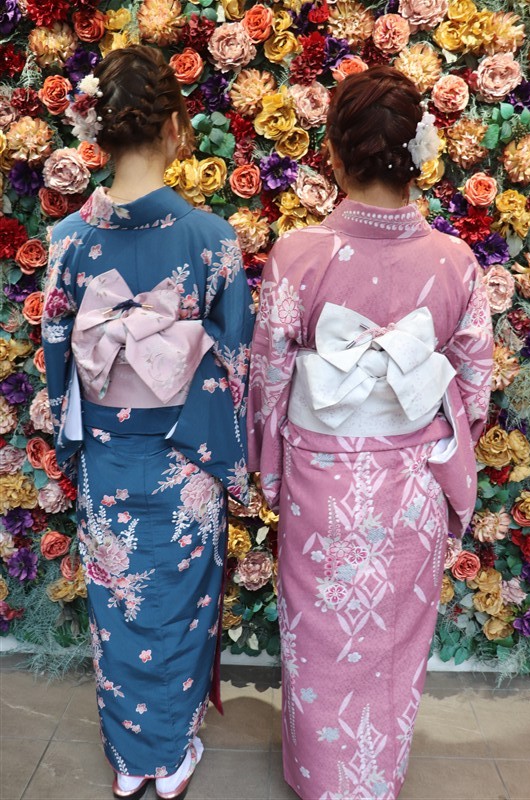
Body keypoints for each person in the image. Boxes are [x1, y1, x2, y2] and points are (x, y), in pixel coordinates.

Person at [247, 66, 493, 800]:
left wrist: (270, 473)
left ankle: (317, 776)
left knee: (318, 631)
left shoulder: (298, 254)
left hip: (320, 482)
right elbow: (473, 386)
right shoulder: (454, 261)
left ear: (333, 152)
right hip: (411, 481)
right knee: (392, 636)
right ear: (418, 153)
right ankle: (373, 779)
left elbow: (268, 380)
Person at [42, 45, 255, 800]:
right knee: (180, 602)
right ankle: (172, 755)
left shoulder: (70, 240)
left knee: (118, 598)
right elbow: (234, 356)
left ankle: (133, 759)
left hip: (108, 450)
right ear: (173, 128)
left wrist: (81, 435)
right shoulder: (211, 238)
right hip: (185, 454)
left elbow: (59, 351)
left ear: (97, 132)